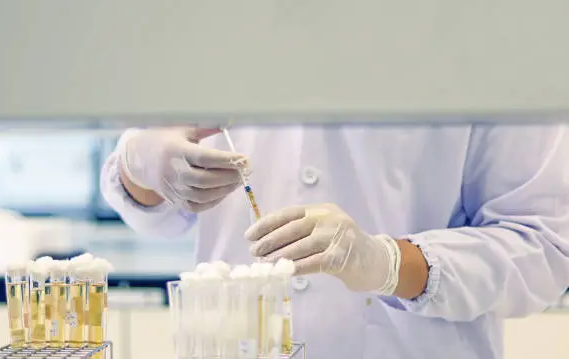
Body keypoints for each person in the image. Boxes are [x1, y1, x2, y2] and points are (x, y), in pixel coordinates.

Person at [101, 123, 569, 359]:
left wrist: (389, 263)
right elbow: (150, 209)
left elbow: (542, 244)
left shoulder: (483, 26)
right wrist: (142, 159)